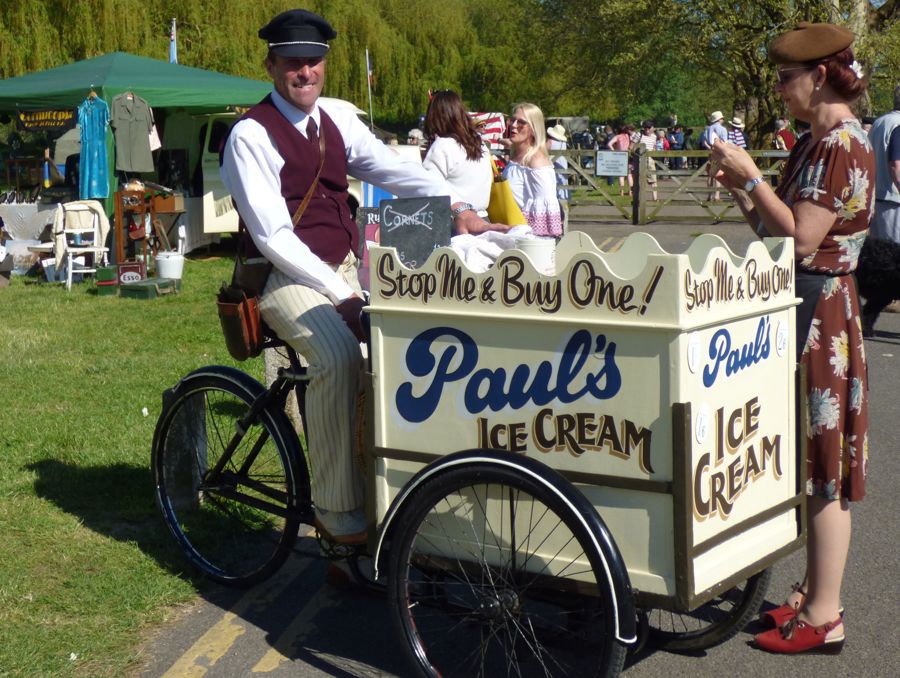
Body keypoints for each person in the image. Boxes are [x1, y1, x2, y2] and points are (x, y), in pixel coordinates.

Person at [220, 9, 491, 545]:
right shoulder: (250, 134)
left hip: (343, 267)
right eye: (293, 63)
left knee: (405, 351)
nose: (305, 72)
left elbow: (396, 171)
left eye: (314, 62)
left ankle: (390, 495)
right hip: (285, 277)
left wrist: (457, 204)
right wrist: (341, 293)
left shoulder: (339, 118)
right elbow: (273, 236)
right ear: (272, 65)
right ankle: (339, 518)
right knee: (340, 357)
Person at [710, 21, 873, 655]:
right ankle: (811, 593)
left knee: (826, 467)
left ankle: (826, 615)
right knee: (812, 462)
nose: (779, 89)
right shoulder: (819, 141)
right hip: (810, 309)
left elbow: (804, 242)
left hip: (823, 315)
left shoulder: (841, 145)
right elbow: (779, 234)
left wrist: (751, 177)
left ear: (820, 76)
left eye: (785, 79)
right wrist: (744, 190)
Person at [856, 84, 900, 336]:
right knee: (891, 270)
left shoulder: (881, 123)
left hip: (877, 198)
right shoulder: (898, 126)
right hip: (894, 200)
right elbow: (896, 166)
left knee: (879, 269)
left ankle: (866, 319)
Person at [421, 89, 493, 220]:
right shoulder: (480, 143)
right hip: (482, 219)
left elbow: (427, 189)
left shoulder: (442, 146)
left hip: (453, 222)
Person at [502, 103, 562, 236]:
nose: (513, 125)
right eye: (513, 120)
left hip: (527, 239)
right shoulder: (516, 156)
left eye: (521, 122)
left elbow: (544, 210)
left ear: (533, 129)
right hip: (510, 231)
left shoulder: (536, 161)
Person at [546, 123, 570, 231]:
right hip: (563, 172)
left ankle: (555, 223)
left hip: (553, 172)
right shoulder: (563, 144)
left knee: (553, 198)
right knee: (562, 197)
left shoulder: (550, 142)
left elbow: (543, 154)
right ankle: (564, 223)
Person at [702, 111, 728, 201]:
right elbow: (724, 142)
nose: (723, 120)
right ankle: (717, 196)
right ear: (719, 119)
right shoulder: (723, 129)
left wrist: (710, 147)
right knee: (718, 175)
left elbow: (705, 142)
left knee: (710, 175)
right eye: (722, 118)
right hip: (719, 153)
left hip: (711, 153)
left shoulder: (708, 129)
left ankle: (709, 195)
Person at [607, 124, 635, 196]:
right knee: (629, 174)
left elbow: (609, 144)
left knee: (621, 175)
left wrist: (614, 151)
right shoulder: (628, 136)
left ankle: (621, 191)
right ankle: (630, 191)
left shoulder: (617, 136)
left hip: (620, 156)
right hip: (628, 155)